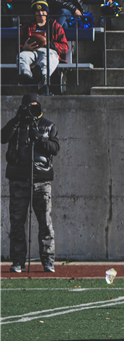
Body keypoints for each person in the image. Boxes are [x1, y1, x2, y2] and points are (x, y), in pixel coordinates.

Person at [0, 94, 59, 273]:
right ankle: (18, 261)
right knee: (17, 223)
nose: (31, 111)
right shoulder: (16, 125)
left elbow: (55, 148)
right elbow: (2, 137)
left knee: (45, 223)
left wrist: (39, 138)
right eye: (28, 107)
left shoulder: (48, 126)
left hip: (41, 181)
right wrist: (18, 119)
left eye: (35, 107)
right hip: (19, 181)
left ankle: (48, 261)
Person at [18, 1, 68, 85]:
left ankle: (43, 77)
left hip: (49, 50)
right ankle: (26, 76)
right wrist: (24, 47)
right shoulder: (27, 26)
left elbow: (65, 47)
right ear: (34, 13)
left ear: (47, 12)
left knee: (48, 58)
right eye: (37, 11)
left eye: (43, 10)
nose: (40, 13)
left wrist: (48, 44)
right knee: (22, 56)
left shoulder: (55, 26)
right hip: (30, 50)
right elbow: (18, 45)